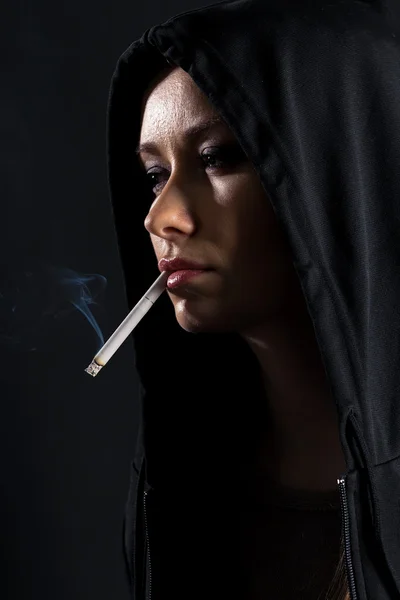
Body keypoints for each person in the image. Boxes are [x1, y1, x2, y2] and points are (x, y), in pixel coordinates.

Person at [106, 1, 400, 599]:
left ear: (343, 168)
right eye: (155, 174)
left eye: (218, 158)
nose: (160, 217)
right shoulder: (180, 482)